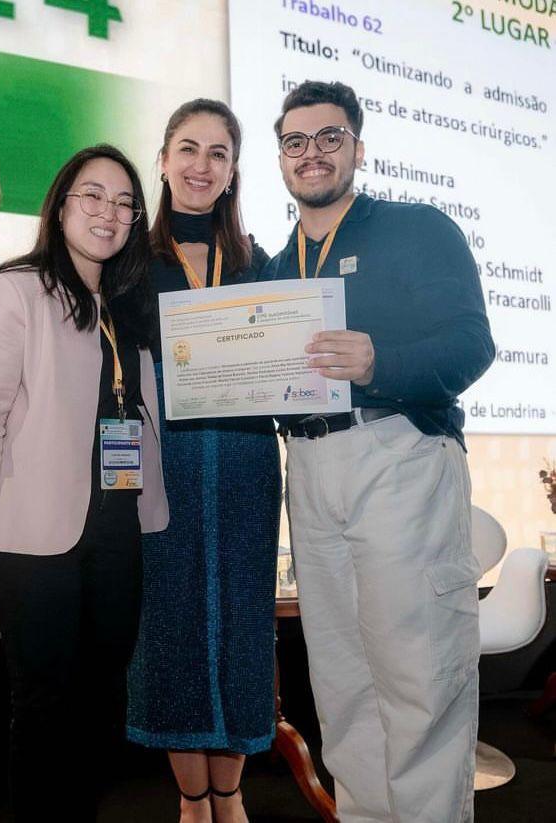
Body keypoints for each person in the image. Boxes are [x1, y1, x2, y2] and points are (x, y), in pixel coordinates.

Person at [262, 80, 495, 822]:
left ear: (358, 147)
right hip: (311, 468)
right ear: (282, 159)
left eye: (330, 137)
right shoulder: (275, 267)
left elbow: (472, 345)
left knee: (419, 678)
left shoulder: (418, 228)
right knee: (342, 683)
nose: (313, 153)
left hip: (398, 455)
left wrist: (378, 361)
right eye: (296, 141)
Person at [0, 144, 168, 822]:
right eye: (93, 196)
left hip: (116, 531)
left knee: (103, 700)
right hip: (32, 533)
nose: (109, 212)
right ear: (62, 205)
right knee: (40, 704)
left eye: (124, 203)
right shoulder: (18, 290)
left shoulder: (126, 307)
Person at [126, 99, 281, 823]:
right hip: (165, 467)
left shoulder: (259, 262)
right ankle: (193, 801)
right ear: (162, 160)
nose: (201, 164)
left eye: (218, 153)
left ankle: (232, 791)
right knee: (173, 627)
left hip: (249, 466)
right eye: (188, 148)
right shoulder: (127, 260)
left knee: (245, 627)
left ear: (232, 172)